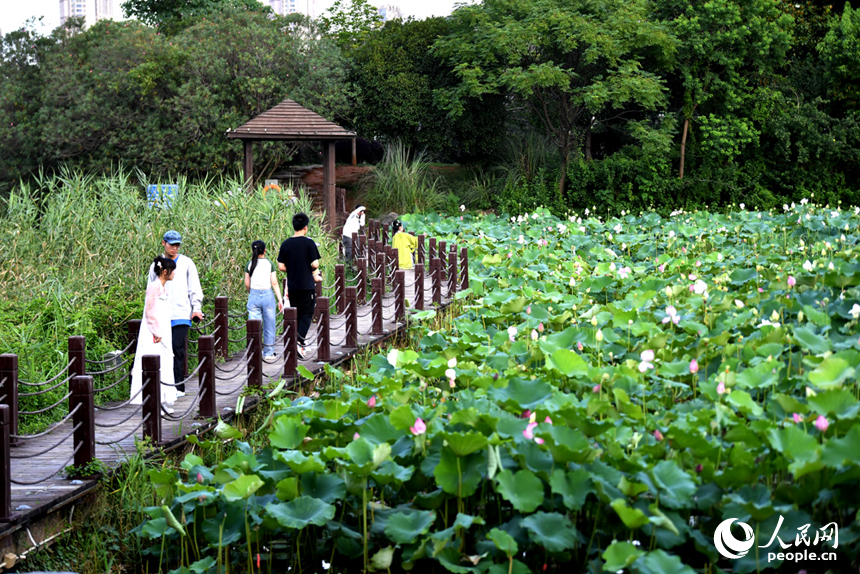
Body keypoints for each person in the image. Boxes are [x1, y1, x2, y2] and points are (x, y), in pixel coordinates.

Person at [148, 230, 203, 398]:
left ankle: (178, 386)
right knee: (162, 351)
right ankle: (164, 386)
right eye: (172, 244)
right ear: (164, 243)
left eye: (178, 245)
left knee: (178, 349)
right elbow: (150, 290)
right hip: (162, 315)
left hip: (180, 313)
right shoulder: (156, 265)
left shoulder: (186, 263)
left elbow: (194, 287)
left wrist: (197, 308)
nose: (175, 248)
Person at [130, 256, 178, 413]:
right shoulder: (153, 287)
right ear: (165, 271)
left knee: (164, 364)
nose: (174, 273)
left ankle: (163, 400)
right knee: (154, 363)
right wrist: (156, 332)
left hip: (164, 329)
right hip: (153, 331)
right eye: (173, 270)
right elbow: (149, 311)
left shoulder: (164, 287)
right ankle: (153, 401)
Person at [277, 213, 321, 360]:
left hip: (292, 285)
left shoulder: (286, 244)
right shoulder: (309, 243)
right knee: (307, 314)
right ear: (306, 227)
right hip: (307, 285)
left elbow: (281, 266)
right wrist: (307, 267)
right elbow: (315, 264)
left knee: (296, 315)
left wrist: (294, 267)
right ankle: (299, 341)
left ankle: (297, 344)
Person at [245, 240, 284, 359]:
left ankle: (255, 352)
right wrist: (280, 300)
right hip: (268, 295)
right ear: (265, 250)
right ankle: (268, 352)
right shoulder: (269, 264)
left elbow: (247, 284)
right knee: (269, 325)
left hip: (254, 295)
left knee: (254, 326)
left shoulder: (249, 264)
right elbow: (274, 283)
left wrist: (251, 293)